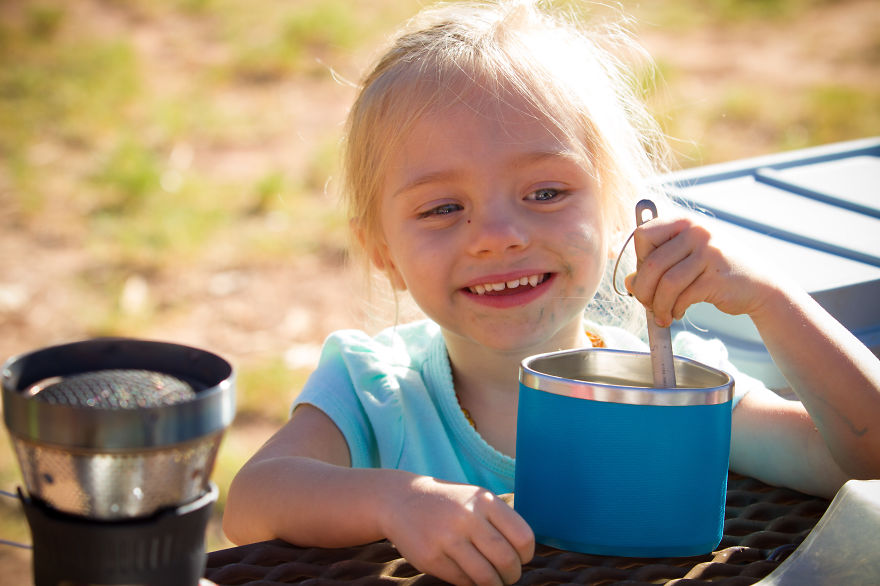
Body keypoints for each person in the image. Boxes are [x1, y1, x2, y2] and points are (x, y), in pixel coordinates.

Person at [222, 1, 880, 584]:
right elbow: (253, 501)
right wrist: (395, 500)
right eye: (443, 208)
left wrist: (773, 299)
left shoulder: (664, 386)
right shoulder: (376, 390)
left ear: (616, 210)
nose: (498, 237)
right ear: (383, 254)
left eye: (546, 192)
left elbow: (864, 462)